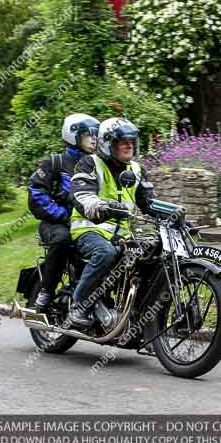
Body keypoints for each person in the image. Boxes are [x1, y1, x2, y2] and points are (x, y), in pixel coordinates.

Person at [67, 117, 156, 329]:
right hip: (89, 229)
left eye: (132, 141)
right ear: (108, 143)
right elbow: (81, 194)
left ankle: (141, 315)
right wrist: (101, 206)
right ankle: (78, 305)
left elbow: (149, 203)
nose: (129, 145)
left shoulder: (136, 169)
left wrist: (177, 216)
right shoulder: (90, 163)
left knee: (152, 256)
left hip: (121, 235)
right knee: (106, 253)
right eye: (123, 141)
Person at [28, 113, 100, 312]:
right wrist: (64, 216)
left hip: (88, 223)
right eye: (88, 135)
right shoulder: (55, 162)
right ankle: (47, 291)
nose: (94, 139)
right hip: (56, 223)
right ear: (72, 135)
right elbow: (36, 195)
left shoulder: (97, 165)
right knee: (63, 239)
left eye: (96, 135)